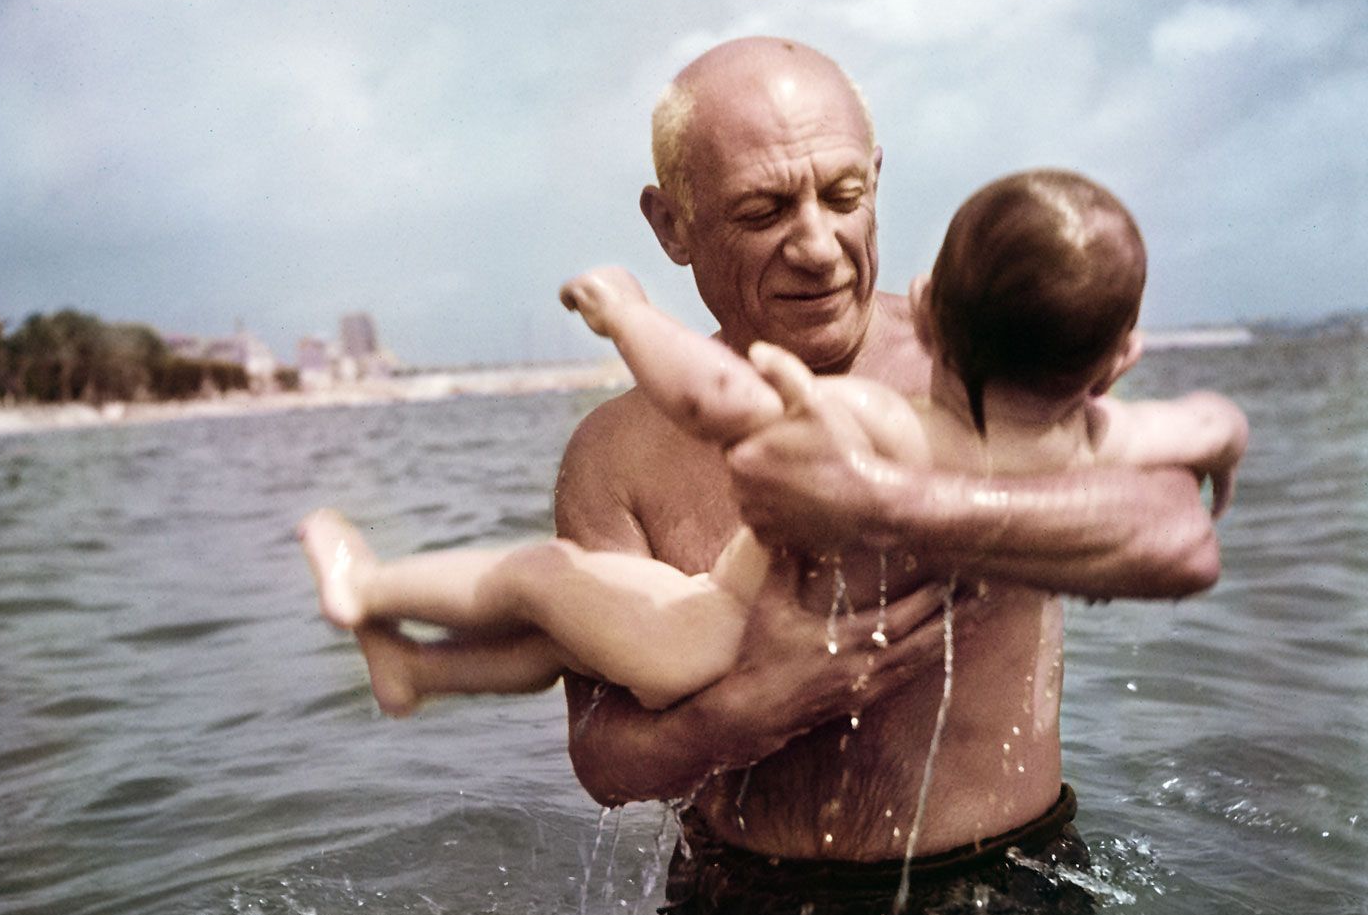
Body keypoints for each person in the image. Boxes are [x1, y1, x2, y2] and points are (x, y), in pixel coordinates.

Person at [298, 172, 1244, 753]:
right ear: (1119, 360)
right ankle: (417, 674)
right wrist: (1223, 430)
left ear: (930, 304)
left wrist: (630, 315)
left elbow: (716, 401)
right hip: (718, 672)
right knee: (557, 633)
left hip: (707, 637)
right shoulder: (1096, 442)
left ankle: (374, 586)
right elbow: (1197, 424)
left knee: (546, 578)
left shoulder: (878, 424)